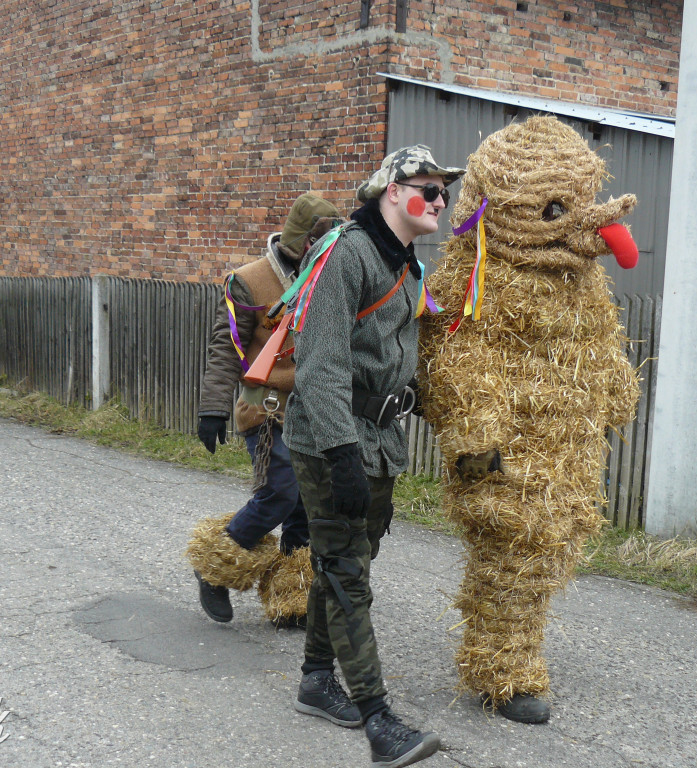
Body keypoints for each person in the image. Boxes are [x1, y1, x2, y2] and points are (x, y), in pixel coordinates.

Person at [283, 147, 464, 768]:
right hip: (332, 439)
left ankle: (314, 678)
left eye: (445, 192)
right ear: (392, 190)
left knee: (343, 563)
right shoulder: (346, 252)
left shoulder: (406, 263)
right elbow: (321, 363)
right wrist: (340, 456)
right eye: (429, 189)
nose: (441, 201)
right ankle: (377, 719)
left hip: (381, 440)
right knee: (347, 573)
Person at [186, 193, 341, 628]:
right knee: (281, 493)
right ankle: (215, 565)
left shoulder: (333, 279)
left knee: (306, 509)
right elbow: (225, 350)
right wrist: (212, 409)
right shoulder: (247, 281)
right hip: (267, 411)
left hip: (317, 413)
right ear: (302, 237)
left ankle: (290, 600)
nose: (326, 244)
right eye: (319, 237)